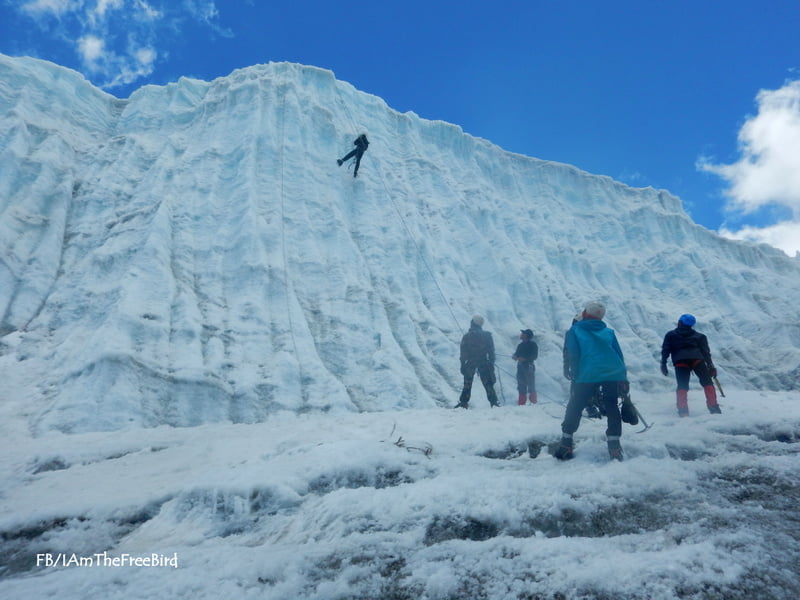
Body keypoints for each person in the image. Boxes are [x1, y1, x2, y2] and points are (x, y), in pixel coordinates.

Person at [555, 301, 628, 461]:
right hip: (613, 372)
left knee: (575, 405)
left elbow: (573, 353)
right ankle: (614, 447)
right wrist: (623, 377)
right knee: (612, 405)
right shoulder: (609, 331)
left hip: (588, 373)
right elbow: (618, 353)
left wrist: (574, 372)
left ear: (585, 313)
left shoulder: (575, 330)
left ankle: (566, 444)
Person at [660, 314, 721, 416]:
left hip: (680, 361)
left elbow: (666, 350)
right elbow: (706, 353)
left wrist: (663, 364)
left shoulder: (670, 335)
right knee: (707, 383)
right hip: (697, 360)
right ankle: (714, 407)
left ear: (680, 322)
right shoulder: (700, 336)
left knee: (682, 385)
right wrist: (711, 366)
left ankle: (683, 411)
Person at [454, 315, 500, 408]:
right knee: (488, 383)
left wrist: (462, 364)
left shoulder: (467, 336)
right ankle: (494, 402)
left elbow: (463, 352)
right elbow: (491, 351)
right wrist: (491, 363)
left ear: (472, 323)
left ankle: (464, 402)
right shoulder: (487, 335)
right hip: (484, 361)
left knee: (467, 382)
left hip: (471, 362)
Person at [513, 329, 538, 404]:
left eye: (523, 333)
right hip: (520, 367)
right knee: (521, 385)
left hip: (529, 367)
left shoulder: (533, 345)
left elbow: (535, 356)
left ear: (526, 336)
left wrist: (525, 359)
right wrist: (515, 356)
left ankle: (533, 402)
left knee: (531, 385)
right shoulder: (520, 345)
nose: (521, 334)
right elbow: (517, 354)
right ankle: (521, 403)